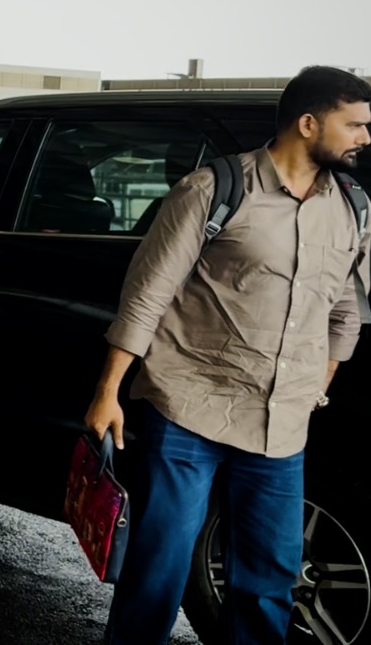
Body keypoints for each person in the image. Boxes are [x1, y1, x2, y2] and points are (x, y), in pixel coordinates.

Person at [85, 65, 371, 645]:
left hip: (280, 427)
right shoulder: (212, 189)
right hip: (189, 408)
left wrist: (314, 389)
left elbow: (345, 313)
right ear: (308, 123)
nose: (365, 137)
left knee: (269, 580)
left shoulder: (352, 207)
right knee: (158, 569)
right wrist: (108, 391)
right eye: (355, 124)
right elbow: (147, 295)